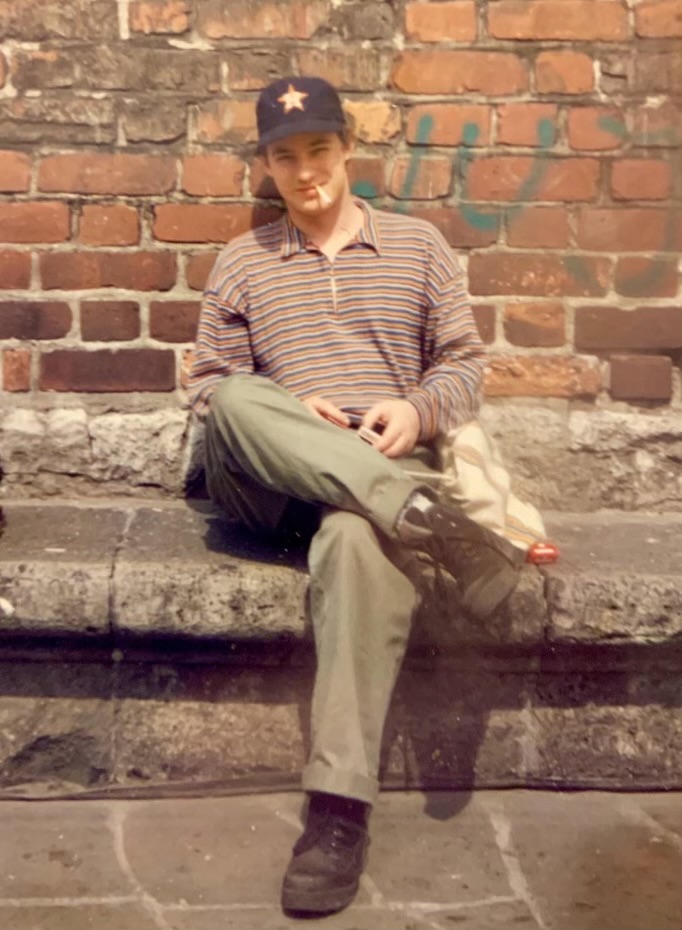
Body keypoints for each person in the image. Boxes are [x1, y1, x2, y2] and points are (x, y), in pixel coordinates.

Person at [188, 76, 526, 916]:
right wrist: (290, 411)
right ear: (265, 166)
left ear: (347, 152)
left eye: (319, 151)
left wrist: (414, 411)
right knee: (238, 399)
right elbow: (211, 395)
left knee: (351, 536)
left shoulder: (416, 247)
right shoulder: (243, 260)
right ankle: (432, 526)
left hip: (372, 485)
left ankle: (337, 813)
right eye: (285, 157)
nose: (305, 173)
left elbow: (465, 367)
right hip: (270, 480)